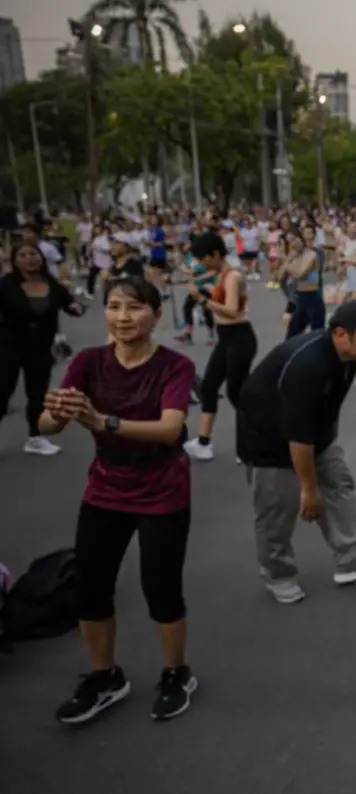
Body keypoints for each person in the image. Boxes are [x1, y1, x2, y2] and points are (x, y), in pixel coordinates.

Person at [38, 276, 198, 724]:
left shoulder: (175, 366)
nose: (123, 317)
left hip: (163, 491)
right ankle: (105, 676)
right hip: (105, 490)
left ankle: (176, 672)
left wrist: (102, 421)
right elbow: (48, 423)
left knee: (161, 589)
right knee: (91, 588)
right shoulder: (89, 362)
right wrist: (57, 412)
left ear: (156, 314)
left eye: (134, 308)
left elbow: (169, 429)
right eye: (113, 307)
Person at [235, 301, 356, 605]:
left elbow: (327, 408)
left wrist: (327, 448)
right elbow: (298, 437)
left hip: (312, 433)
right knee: (277, 509)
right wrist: (309, 490)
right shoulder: (307, 364)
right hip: (267, 439)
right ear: (341, 334)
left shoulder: (348, 359)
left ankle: (353, 558)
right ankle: (278, 574)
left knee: (339, 482)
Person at [0, 242, 85, 455]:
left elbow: (71, 305)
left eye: (34, 254)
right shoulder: (6, 284)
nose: (30, 258)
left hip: (40, 348)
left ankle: (35, 438)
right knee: (2, 393)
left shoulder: (51, 283)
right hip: (9, 347)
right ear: (15, 260)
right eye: (23, 254)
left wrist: (77, 307)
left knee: (37, 394)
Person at [182, 232, 258, 462]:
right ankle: (203, 442)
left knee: (237, 393)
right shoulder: (221, 272)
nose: (202, 263)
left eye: (204, 258)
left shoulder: (232, 276)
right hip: (226, 338)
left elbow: (233, 310)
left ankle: (252, 444)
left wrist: (203, 299)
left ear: (215, 254)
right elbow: (206, 278)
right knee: (209, 387)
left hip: (239, 337)